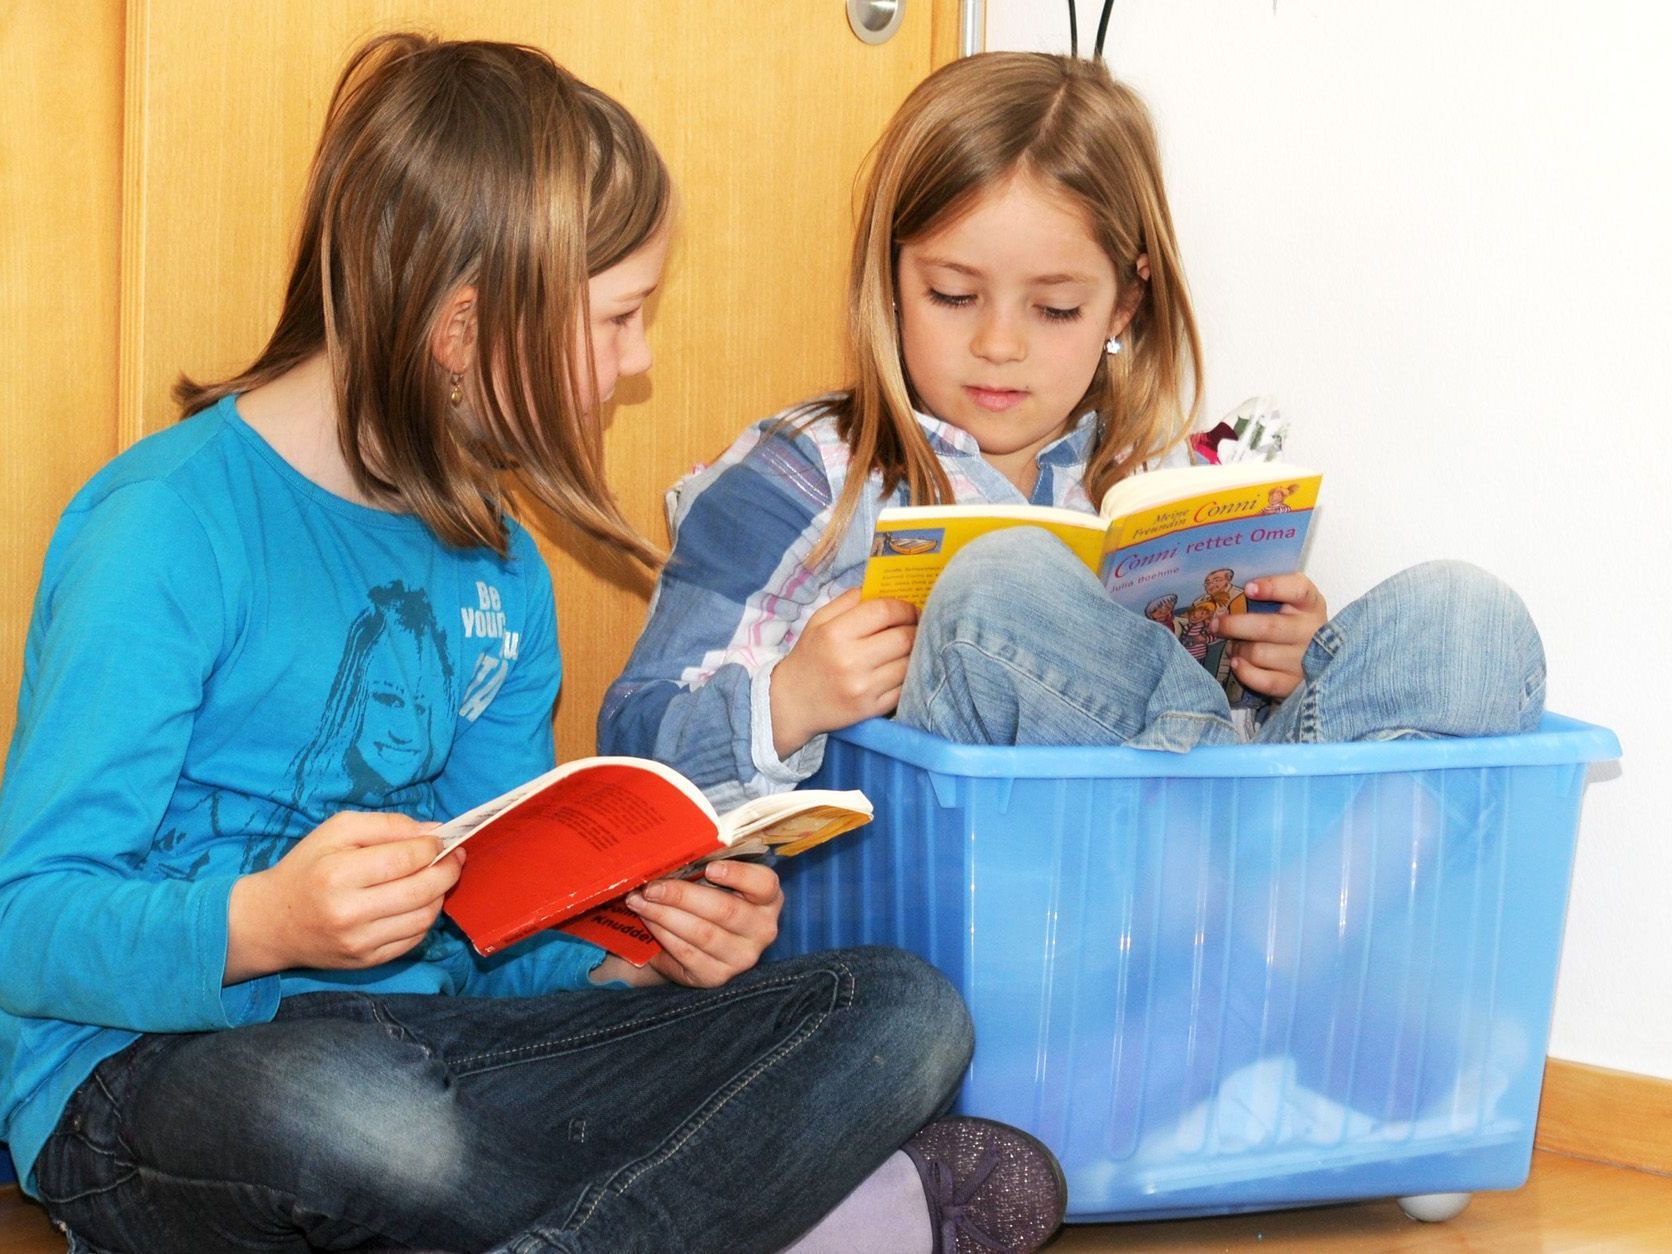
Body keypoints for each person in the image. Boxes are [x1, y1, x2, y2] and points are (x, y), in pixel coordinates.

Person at [0, 35, 1068, 1254]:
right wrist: (268, 926)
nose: (640, 363)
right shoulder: (167, 528)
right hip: (160, 1078)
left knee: (898, 1010)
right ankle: (789, 1215)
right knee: (356, 1119)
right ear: (463, 327)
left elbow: (495, 944)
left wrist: (646, 964)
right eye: (618, 318)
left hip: (443, 1063)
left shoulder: (498, 563)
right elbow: (25, 921)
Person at [599, 52, 1544, 801]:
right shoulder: (804, 474)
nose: (999, 344)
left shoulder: (1155, 482)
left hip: (1181, 883)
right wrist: (789, 700)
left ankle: (1255, 840)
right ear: (890, 279)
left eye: (1054, 309)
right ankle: (1234, 831)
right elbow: (630, 740)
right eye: (953, 294)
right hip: (997, 903)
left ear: (1125, 304)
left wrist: (1283, 669)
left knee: (1471, 623)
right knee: (1000, 583)